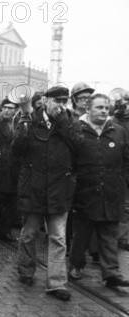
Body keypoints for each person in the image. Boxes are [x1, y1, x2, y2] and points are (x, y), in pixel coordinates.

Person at [13, 86, 75, 301]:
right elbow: (17, 150)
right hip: (34, 188)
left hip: (59, 189)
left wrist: (64, 123)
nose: (61, 105)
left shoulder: (69, 123)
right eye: (57, 100)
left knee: (58, 238)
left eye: (64, 101)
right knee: (29, 233)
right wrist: (24, 122)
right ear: (46, 101)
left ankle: (57, 283)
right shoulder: (31, 120)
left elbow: (78, 147)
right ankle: (26, 270)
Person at [67, 93, 129, 288]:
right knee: (82, 234)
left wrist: (122, 182)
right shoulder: (77, 130)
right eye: (99, 107)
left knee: (109, 233)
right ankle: (76, 265)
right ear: (88, 109)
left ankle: (111, 273)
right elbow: (69, 161)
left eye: (106, 107)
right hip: (84, 192)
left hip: (112, 192)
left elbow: (127, 159)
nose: (103, 111)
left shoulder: (117, 131)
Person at [0, 97, 21, 242]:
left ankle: (5, 231)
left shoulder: (20, 125)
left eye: (11, 108)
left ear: (16, 110)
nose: (7, 110)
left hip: (14, 168)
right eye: (5, 107)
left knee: (11, 201)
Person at [112, 91, 129, 252]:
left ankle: (123, 236)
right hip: (122, 167)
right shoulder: (115, 120)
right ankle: (121, 237)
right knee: (124, 204)